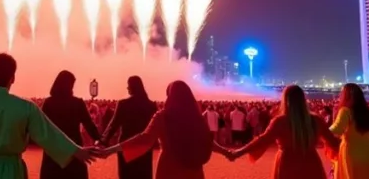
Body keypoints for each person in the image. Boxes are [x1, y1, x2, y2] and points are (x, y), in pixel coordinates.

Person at [101, 80, 229, 179]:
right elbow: (206, 140)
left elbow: (144, 139)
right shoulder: (197, 118)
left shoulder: (163, 116)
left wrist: (111, 149)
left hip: (169, 168)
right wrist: (227, 152)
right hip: (193, 170)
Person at [227, 85, 339, 179]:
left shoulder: (280, 122)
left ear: (285, 100)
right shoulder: (316, 120)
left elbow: (261, 141)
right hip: (311, 164)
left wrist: (238, 152)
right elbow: (334, 142)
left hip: (287, 165)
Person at [39, 71, 101, 179]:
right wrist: (102, 141)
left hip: (53, 152)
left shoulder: (48, 103)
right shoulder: (77, 103)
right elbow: (90, 126)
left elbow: (41, 128)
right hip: (75, 150)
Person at [100, 76, 157, 179]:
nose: (127, 88)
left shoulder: (123, 104)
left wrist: (103, 142)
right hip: (143, 146)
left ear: (131, 87)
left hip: (125, 146)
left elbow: (113, 125)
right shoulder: (151, 105)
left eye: (128, 85)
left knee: (127, 175)